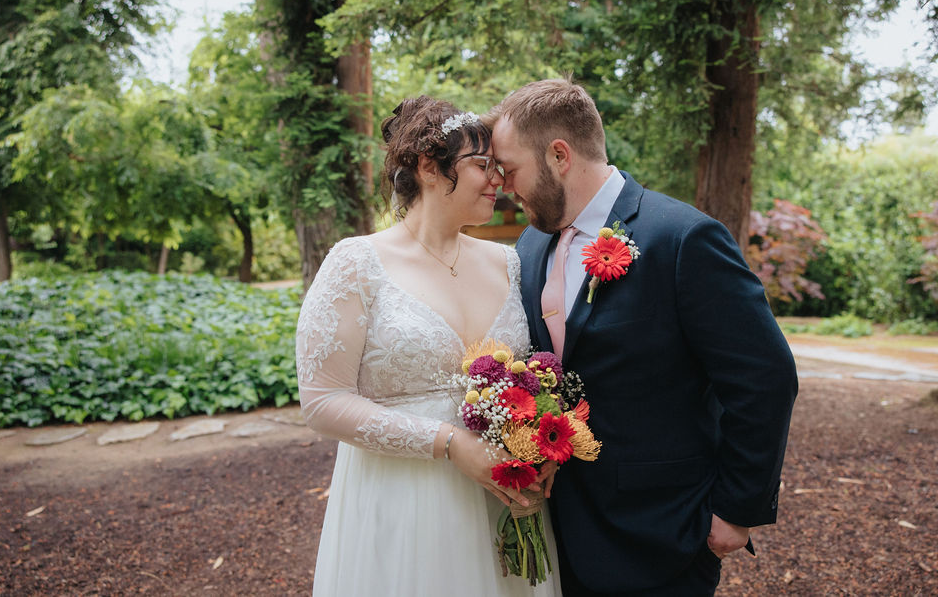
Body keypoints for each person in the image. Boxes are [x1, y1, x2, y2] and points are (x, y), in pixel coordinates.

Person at [487, 78, 798, 596]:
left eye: (511, 169)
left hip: (662, 532)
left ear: (559, 155)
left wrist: (736, 509)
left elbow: (764, 379)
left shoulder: (682, 238)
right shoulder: (530, 246)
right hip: (559, 529)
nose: (505, 186)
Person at [294, 95, 560, 596]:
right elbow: (322, 402)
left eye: (499, 166)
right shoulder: (356, 263)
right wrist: (450, 442)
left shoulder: (509, 262)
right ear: (427, 167)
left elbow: (529, 378)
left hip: (501, 502)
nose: (498, 179)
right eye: (482, 165)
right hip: (403, 502)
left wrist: (538, 443)